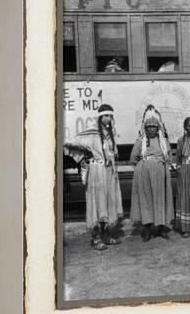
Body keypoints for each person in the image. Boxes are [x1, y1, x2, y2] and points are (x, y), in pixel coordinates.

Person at [64, 104, 123, 251]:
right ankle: (96, 237)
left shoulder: (110, 133)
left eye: (110, 116)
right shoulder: (92, 132)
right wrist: (85, 155)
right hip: (96, 172)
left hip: (109, 171)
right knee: (97, 202)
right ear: (100, 116)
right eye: (106, 116)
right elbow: (71, 141)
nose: (109, 118)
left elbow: (112, 151)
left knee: (108, 201)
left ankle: (106, 235)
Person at [129, 105, 174, 242]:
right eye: (149, 127)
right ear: (145, 128)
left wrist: (162, 169)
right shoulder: (140, 142)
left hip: (160, 176)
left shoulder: (163, 141)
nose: (152, 129)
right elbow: (133, 158)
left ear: (158, 128)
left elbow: (169, 158)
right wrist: (143, 167)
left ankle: (161, 228)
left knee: (160, 200)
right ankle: (147, 229)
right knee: (146, 201)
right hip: (144, 176)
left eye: (154, 127)